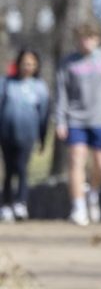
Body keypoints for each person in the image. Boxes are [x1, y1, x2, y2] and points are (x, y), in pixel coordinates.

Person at [55, 22, 101, 225]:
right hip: (75, 119)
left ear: (97, 39)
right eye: (81, 37)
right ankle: (78, 207)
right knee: (76, 160)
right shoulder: (68, 63)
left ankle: (93, 193)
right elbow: (61, 94)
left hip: (99, 120)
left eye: (89, 37)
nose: (85, 42)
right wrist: (60, 120)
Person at [0, 49, 50, 222]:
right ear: (18, 64)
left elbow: (44, 114)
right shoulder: (6, 83)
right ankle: (6, 204)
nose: (27, 67)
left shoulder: (40, 87)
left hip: (28, 134)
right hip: (6, 134)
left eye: (31, 64)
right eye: (24, 63)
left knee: (22, 168)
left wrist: (43, 137)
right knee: (8, 170)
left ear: (36, 66)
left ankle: (20, 203)